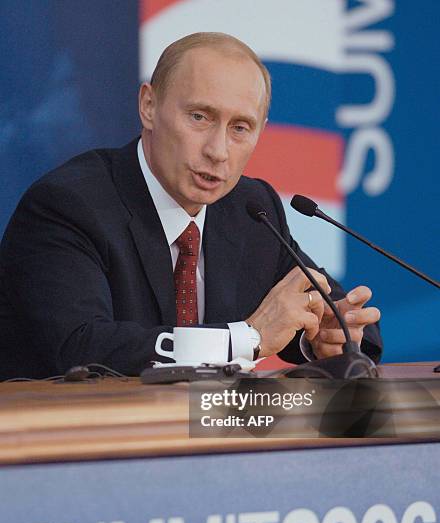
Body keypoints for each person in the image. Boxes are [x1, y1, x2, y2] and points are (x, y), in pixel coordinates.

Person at [0, 32, 381, 380]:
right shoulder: (69, 205)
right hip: (72, 445)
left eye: (240, 128)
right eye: (200, 117)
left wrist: (328, 337)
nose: (218, 151)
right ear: (149, 105)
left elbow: (330, 309)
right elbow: (81, 348)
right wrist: (244, 339)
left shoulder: (251, 209)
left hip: (205, 441)